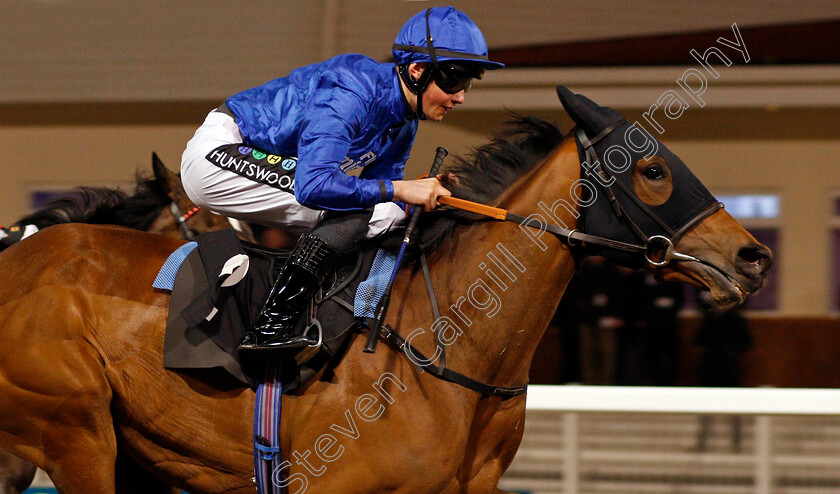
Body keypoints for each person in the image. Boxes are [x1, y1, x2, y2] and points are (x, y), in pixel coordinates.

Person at [179, 7, 504, 358]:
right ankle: (268, 327)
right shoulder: (352, 89)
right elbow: (314, 186)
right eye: (454, 81)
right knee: (359, 211)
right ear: (417, 70)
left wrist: (417, 195)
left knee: (383, 217)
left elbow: (382, 204)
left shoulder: (405, 124)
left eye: (468, 84)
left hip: (275, 169)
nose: (461, 97)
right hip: (221, 155)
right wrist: (401, 190)